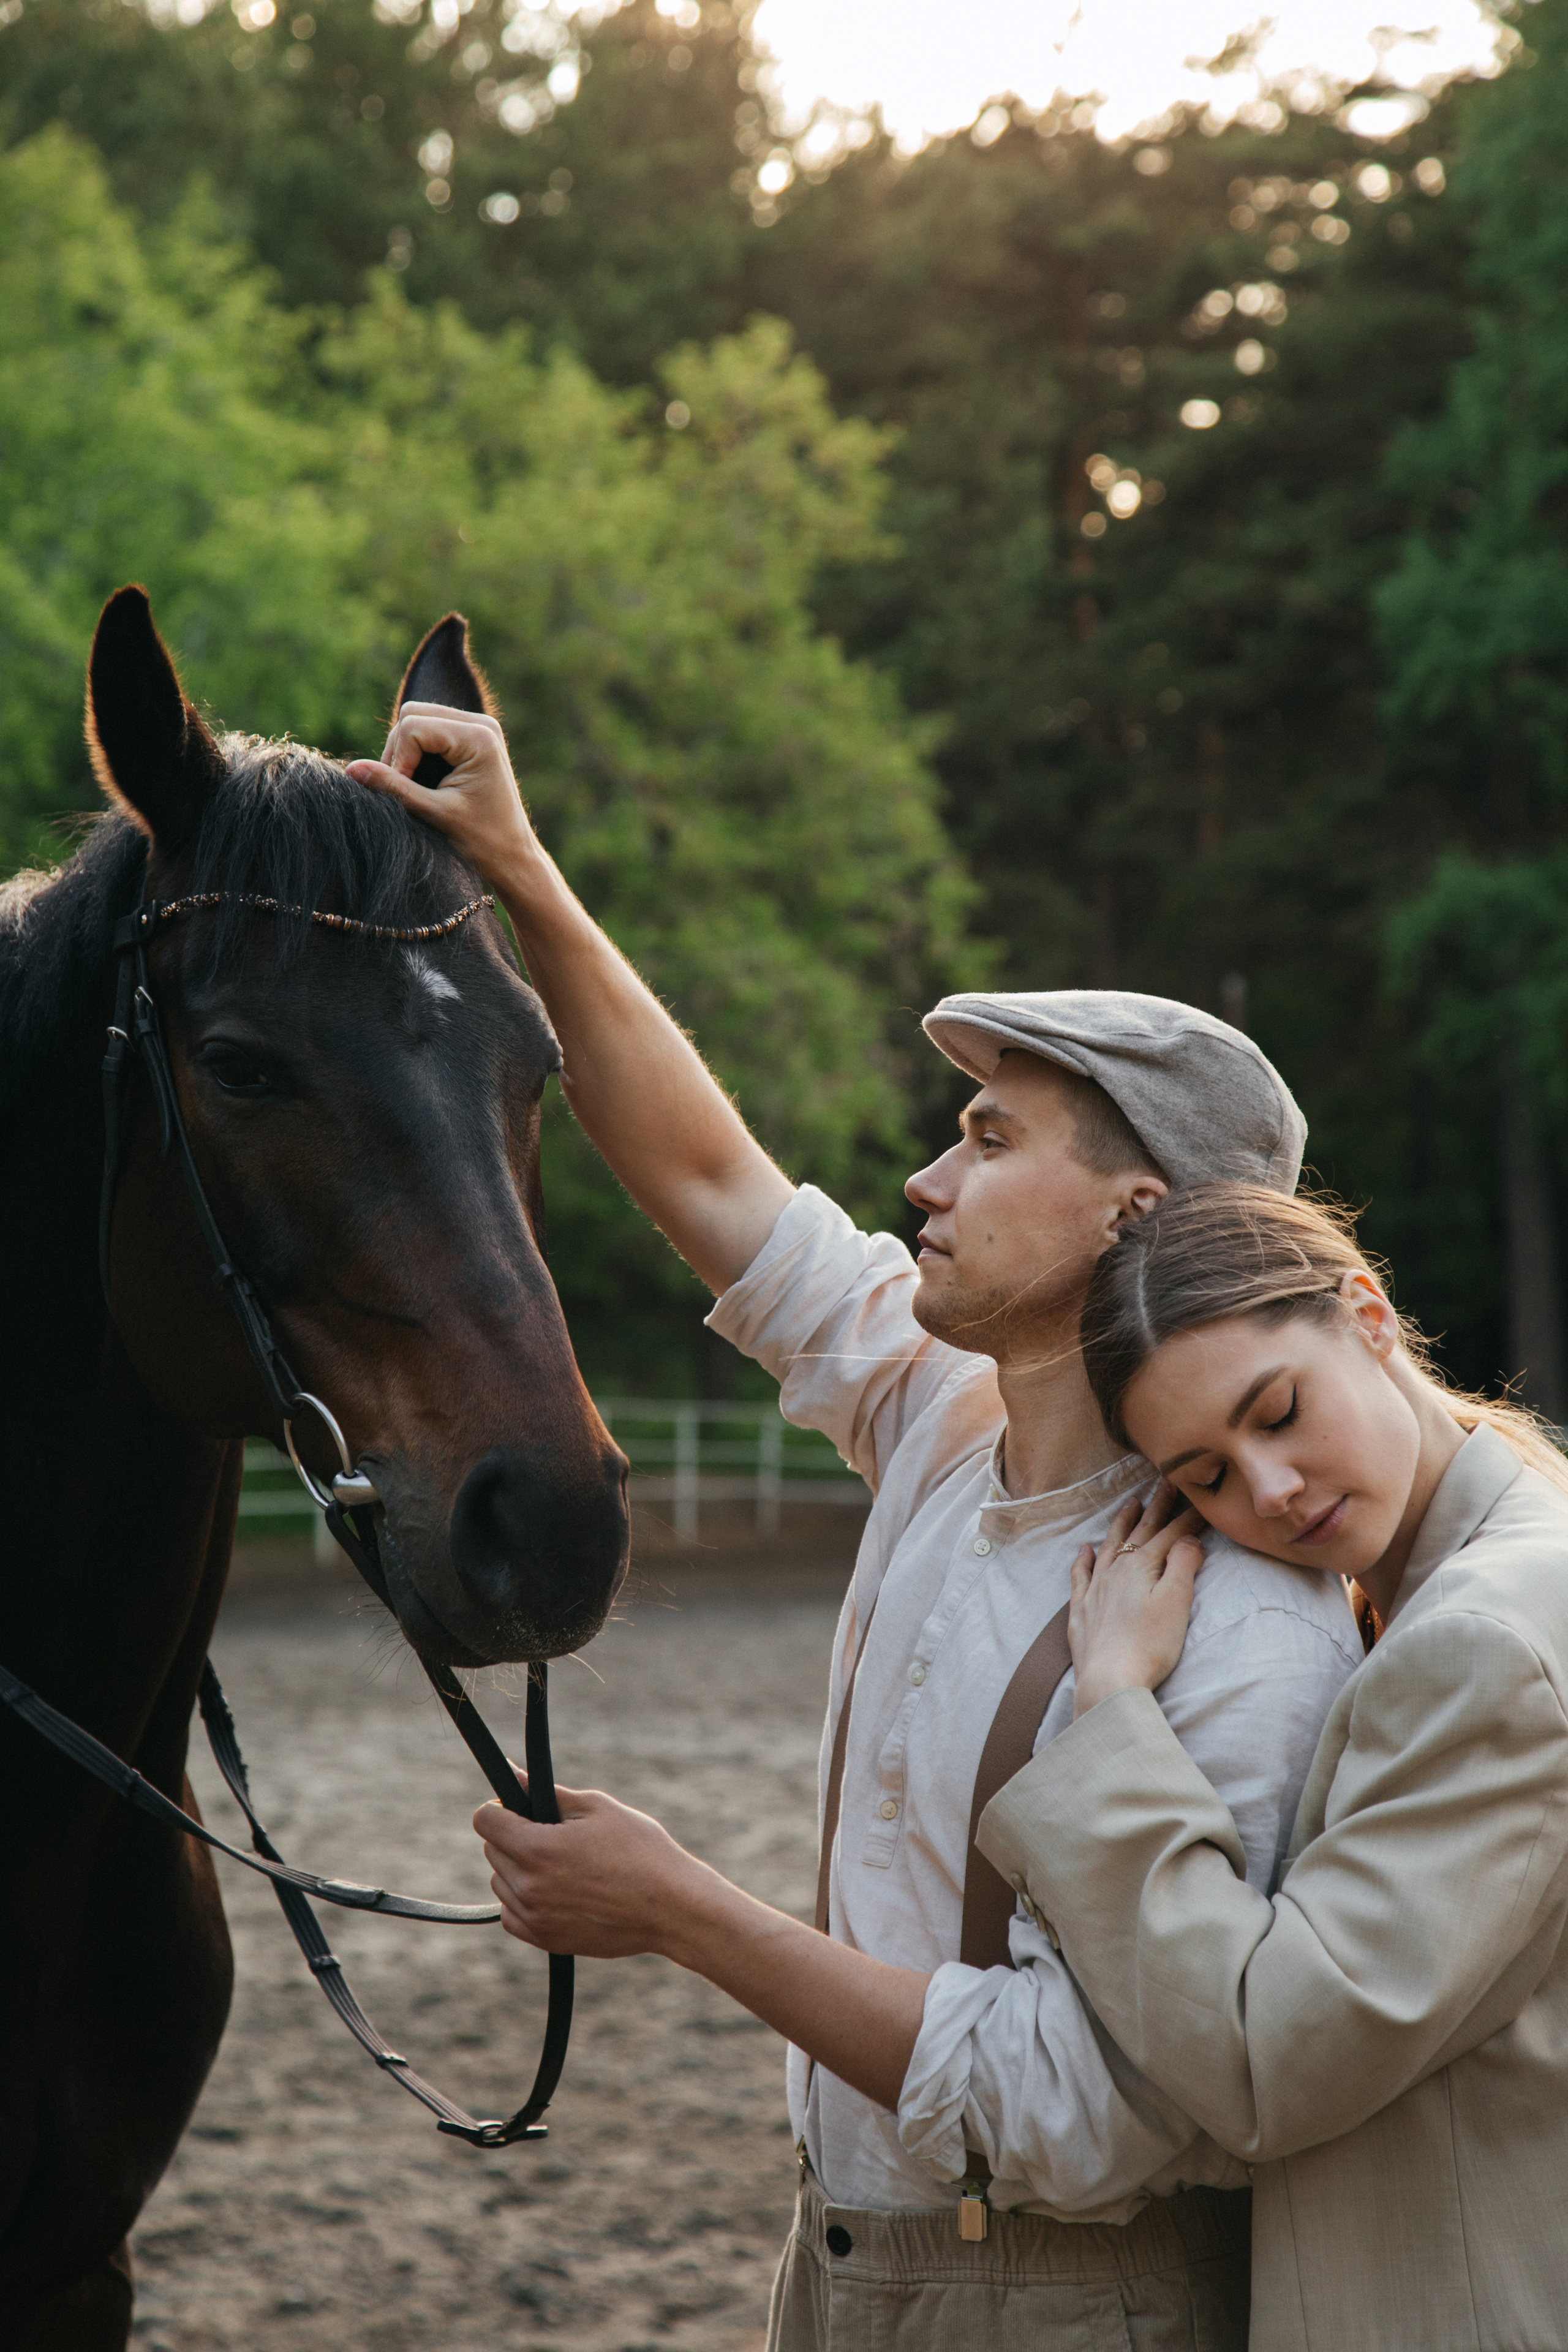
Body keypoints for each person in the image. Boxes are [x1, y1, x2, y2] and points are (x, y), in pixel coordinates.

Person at [346, 708, 1363, 2351]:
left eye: (987, 1140)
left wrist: (683, 1913)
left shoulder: (1244, 1622)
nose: (923, 1184)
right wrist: (518, 866)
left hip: (1058, 2298)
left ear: (1138, 1213)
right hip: (835, 2260)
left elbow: (1087, 2110)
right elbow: (708, 1177)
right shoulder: (943, 1415)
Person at [973, 1182, 1568, 2352]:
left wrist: (1111, 1707)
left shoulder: (1481, 1641)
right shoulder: (1507, 1552)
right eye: (1206, 1478)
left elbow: (1269, 2057)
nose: (1273, 1491)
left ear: (1369, 1314)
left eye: (1281, 1411)